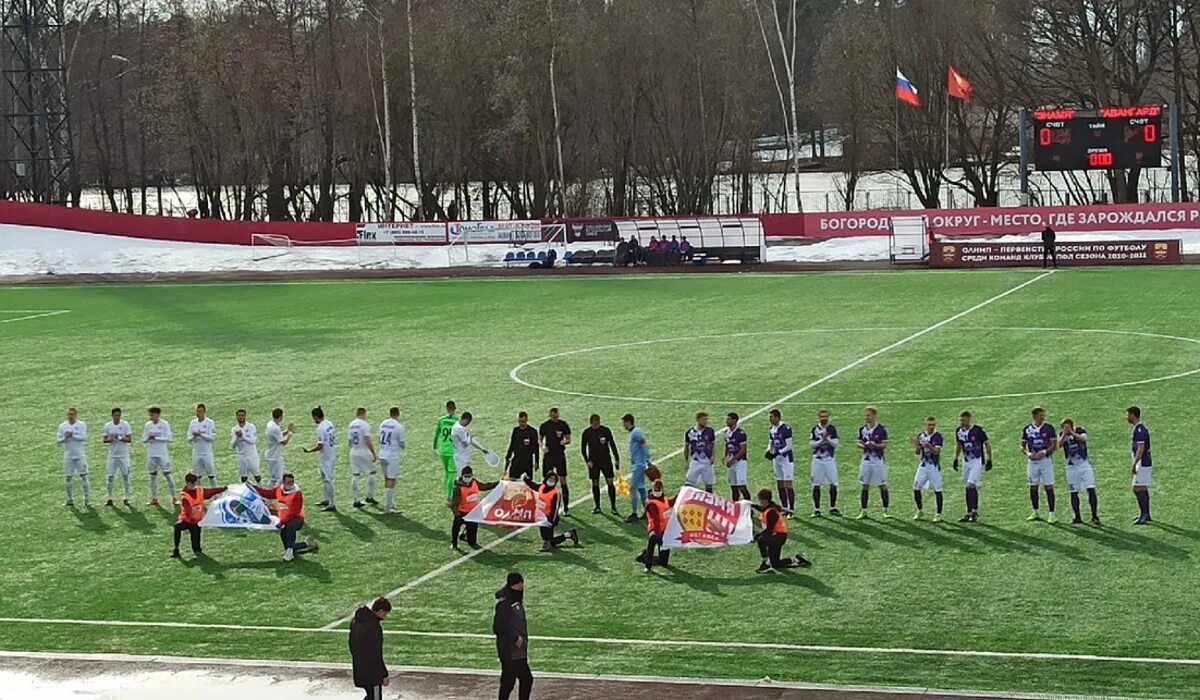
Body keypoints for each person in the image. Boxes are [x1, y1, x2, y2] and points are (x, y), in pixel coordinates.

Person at [252, 473, 319, 561]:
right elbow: (267, 493)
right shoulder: (279, 489)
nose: (290, 484)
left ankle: (290, 553)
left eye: (291, 482)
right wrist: (253, 487)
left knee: (290, 526)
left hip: (296, 519)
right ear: (283, 482)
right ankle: (305, 544)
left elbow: (294, 512)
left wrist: (282, 522)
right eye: (288, 482)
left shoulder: (297, 494)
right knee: (288, 546)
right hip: (284, 519)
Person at [752, 488, 812, 574]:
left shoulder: (771, 512)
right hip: (778, 536)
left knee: (761, 540)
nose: (760, 503)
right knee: (776, 564)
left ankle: (765, 563)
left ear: (766, 500)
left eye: (761, 501)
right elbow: (761, 509)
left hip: (778, 537)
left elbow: (769, 530)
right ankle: (796, 559)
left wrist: (756, 536)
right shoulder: (769, 508)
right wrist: (751, 505)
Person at [494, 572, 533, 700]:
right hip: (510, 651)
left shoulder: (514, 599)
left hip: (516, 650)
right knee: (525, 679)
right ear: (514, 585)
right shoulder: (505, 603)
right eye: (520, 583)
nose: (522, 585)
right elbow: (498, 627)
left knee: (508, 681)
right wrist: (515, 638)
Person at [171, 473, 226, 559]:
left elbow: (210, 492)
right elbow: (188, 509)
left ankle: (196, 548)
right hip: (186, 520)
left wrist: (222, 489)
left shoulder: (199, 490)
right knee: (177, 527)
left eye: (195, 483)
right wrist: (191, 517)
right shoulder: (184, 496)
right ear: (188, 483)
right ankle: (176, 548)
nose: (195, 485)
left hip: (196, 522)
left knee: (196, 549)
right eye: (193, 483)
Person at [952, 411, 992, 522]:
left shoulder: (978, 431)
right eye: (960, 420)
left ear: (969, 419)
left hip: (977, 461)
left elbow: (987, 444)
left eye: (963, 420)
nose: (961, 422)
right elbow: (959, 445)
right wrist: (955, 458)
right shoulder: (959, 431)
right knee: (968, 487)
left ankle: (974, 511)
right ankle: (969, 512)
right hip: (966, 462)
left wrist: (989, 459)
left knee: (970, 485)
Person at [349, 597, 391, 700]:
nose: (385, 617)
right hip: (372, 674)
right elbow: (376, 653)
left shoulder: (356, 622)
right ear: (380, 611)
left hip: (360, 668)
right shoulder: (373, 627)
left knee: (370, 695)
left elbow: (351, 644)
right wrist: (384, 674)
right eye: (385, 613)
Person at [1059, 418, 1099, 526]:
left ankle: (1094, 516)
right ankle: (1077, 516)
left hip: (1084, 465)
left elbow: (1084, 439)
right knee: (1073, 492)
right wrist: (1064, 435)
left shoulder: (1080, 430)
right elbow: (1059, 445)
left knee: (1090, 489)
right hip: (1071, 468)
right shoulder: (1062, 434)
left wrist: (1072, 433)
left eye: (1067, 427)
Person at [1021, 406, 1058, 523]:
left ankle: (1051, 514)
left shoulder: (1049, 428)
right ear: (1035, 416)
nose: (1043, 417)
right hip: (1032, 462)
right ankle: (1035, 511)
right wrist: (1028, 454)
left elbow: (1054, 445)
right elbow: (1022, 445)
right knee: (1033, 486)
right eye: (1041, 415)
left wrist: (1044, 452)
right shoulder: (1027, 429)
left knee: (1048, 486)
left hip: (1045, 461)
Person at [451, 466, 499, 549]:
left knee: (472, 542)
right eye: (465, 476)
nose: (467, 478)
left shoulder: (474, 483)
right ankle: (454, 542)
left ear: (472, 475)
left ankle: (465, 534)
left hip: (473, 512)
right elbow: (454, 504)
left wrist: (498, 483)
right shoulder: (458, 488)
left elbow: (484, 486)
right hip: (462, 512)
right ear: (462, 476)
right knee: (456, 527)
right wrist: (457, 515)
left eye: (469, 476)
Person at [581, 414, 621, 515]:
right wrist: (587, 461)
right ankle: (597, 506)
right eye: (594, 424)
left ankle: (613, 507)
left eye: (598, 423)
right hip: (594, 462)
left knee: (610, 482)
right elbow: (583, 449)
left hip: (605, 460)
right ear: (591, 423)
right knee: (595, 483)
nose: (596, 425)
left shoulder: (605, 431)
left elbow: (612, 444)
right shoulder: (586, 433)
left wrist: (616, 458)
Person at [855, 406, 890, 519]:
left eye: (868, 415)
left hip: (878, 461)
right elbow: (858, 443)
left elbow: (884, 445)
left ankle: (885, 510)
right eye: (865, 415)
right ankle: (864, 510)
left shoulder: (881, 429)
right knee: (865, 485)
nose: (866, 417)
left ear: (874, 415)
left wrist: (875, 445)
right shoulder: (862, 429)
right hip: (866, 461)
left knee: (882, 485)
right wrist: (864, 446)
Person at [303, 406, 338, 512]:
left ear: (315, 417)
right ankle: (327, 499)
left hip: (326, 457)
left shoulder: (320, 428)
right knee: (324, 478)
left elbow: (320, 446)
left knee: (328, 479)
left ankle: (332, 503)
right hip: (330, 454)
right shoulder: (329, 423)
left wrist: (309, 451)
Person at [532, 471, 578, 551]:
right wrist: (525, 479)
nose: (551, 480)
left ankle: (549, 543)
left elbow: (555, 509)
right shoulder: (542, 487)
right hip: (543, 517)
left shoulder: (555, 493)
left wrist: (551, 521)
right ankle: (569, 534)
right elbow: (533, 485)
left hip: (550, 518)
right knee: (548, 539)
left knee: (547, 539)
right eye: (550, 478)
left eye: (553, 479)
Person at [911, 416, 945, 522]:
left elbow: (936, 452)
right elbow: (917, 452)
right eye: (929, 425)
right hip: (923, 465)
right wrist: (917, 446)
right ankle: (920, 510)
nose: (931, 427)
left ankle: (938, 514)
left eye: (933, 425)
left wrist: (928, 445)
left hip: (934, 467)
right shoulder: (921, 435)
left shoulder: (938, 436)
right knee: (916, 488)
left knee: (937, 489)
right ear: (925, 425)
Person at [539, 408, 572, 513]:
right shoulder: (545, 426)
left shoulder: (563, 425)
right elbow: (539, 439)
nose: (555, 418)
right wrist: (543, 446)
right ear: (550, 415)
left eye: (557, 416)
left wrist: (565, 441)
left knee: (563, 480)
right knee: (546, 481)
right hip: (549, 455)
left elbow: (569, 438)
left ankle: (566, 507)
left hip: (559, 455)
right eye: (553, 416)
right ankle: (545, 505)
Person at [636, 479, 673, 573]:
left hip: (664, 528)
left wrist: (680, 495)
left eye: (658, 490)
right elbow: (656, 520)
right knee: (653, 538)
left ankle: (645, 555)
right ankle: (648, 565)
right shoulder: (651, 503)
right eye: (655, 490)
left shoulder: (663, 498)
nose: (657, 492)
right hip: (655, 529)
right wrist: (659, 534)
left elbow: (670, 502)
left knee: (663, 562)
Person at [808, 409, 840, 517]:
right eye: (822, 416)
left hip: (829, 460)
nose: (824, 418)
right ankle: (817, 509)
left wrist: (828, 439)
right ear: (818, 418)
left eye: (825, 416)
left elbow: (835, 444)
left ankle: (833, 507)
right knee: (816, 484)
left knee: (833, 483)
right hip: (817, 460)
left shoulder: (832, 429)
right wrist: (822, 440)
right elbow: (812, 444)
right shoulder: (814, 429)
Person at [143, 407, 177, 507]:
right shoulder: (148, 425)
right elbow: (143, 439)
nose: (150, 417)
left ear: (158, 415)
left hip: (162, 454)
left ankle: (174, 498)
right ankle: (154, 498)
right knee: (152, 476)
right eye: (150, 415)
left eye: (152, 415)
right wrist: (148, 439)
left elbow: (169, 438)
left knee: (168, 475)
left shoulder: (164, 424)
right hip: (152, 454)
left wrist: (156, 438)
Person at [56, 407, 90, 507]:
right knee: (68, 477)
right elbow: (58, 441)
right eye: (69, 414)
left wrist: (73, 435)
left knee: (84, 476)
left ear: (76, 415)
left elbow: (84, 438)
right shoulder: (63, 426)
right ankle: (70, 499)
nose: (70, 416)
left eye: (72, 414)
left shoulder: (81, 425)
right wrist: (65, 437)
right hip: (69, 456)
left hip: (80, 455)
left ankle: (87, 499)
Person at [766, 409, 796, 516]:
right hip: (777, 459)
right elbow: (771, 442)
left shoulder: (786, 428)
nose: (770, 419)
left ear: (778, 417)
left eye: (772, 417)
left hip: (786, 459)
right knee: (779, 483)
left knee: (788, 484)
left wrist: (778, 452)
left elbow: (789, 446)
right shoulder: (772, 429)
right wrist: (768, 451)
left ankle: (791, 510)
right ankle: (784, 508)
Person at [348, 407, 378, 509]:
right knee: (372, 473)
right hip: (363, 452)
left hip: (353, 452)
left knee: (355, 475)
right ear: (363, 413)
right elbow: (367, 440)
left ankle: (356, 500)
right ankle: (369, 496)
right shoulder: (364, 425)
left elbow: (350, 442)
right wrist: (374, 453)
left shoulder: (351, 425)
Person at [102, 407, 133, 506]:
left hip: (123, 456)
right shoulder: (108, 426)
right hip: (112, 456)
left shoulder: (125, 425)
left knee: (125, 476)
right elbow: (104, 440)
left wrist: (119, 438)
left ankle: (126, 497)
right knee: (110, 477)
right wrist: (111, 439)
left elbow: (129, 439)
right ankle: (110, 497)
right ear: (112, 416)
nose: (117, 417)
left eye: (119, 415)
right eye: (115, 415)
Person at [378, 407, 406, 514]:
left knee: (387, 479)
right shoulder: (399, 427)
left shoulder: (383, 423)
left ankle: (391, 502)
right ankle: (388, 506)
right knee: (391, 480)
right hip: (392, 456)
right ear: (398, 414)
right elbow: (402, 444)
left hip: (382, 453)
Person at [1128, 406, 1153, 525]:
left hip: (1142, 462)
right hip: (1142, 462)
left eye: (1128, 414)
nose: (1127, 417)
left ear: (1133, 415)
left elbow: (1141, 448)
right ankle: (1145, 514)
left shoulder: (1140, 429)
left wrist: (1134, 464)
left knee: (1137, 488)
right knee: (1141, 488)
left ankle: (1145, 514)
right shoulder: (1138, 428)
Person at [623, 414, 651, 522]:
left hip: (639, 465)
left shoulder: (636, 432)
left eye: (624, 422)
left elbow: (643, 444)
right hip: (638, 464)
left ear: (628, 422)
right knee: (641, 489)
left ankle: (634, 513)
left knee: (633, 489)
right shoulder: (634, 432)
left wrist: (647, 459)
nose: (623, 425)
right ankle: (647, 512)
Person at [452, 412, 491, 480]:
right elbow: (466, 443)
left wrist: (482, 449)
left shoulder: (459, 426)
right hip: (461, 458)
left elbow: (470, 440)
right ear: (466, 420)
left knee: (467, 477)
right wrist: (470, 437)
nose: (468, 424)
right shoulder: (459, 429)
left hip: (464, 456)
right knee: (463, 477)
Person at [683, 412, 716, 493]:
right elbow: (687, 447)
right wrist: (686, 461)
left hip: (707, 461)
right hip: (695, 461)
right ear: (698, 420)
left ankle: (709, 502)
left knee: (709, 484)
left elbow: (713, 445)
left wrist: (712, 456)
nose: (706, 421)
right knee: (689, 482)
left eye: (706, 419)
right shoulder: (690, 432)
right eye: (704, 419)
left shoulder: (710, 431)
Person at [434, 401, 459, 502]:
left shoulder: (441, 420)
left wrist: (435, 446)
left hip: (442, 449)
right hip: (452, 450)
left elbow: (436, 435)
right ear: (455, 408)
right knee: (452, 473)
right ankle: (450, 495)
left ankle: (447, 492)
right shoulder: (457, 421)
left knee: (447, 473)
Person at [723, 413, 751, 502]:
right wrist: (725, 457)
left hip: (740, 462)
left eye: (729, 419)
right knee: (733, 486)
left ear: (735, 420)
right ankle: (735, 507)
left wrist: (732, 459)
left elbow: (743, 450)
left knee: (742, 487)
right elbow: (727, 446)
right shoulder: (726, 432)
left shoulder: (741, 433)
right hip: (731, 462)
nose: (727, 421)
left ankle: (748, 507)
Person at [187, 403, 217, 486]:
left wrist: (201, 434)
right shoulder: (193, 423)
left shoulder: (209, 422)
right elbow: (189, 438)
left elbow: (211, 438)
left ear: (204, 412)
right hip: (196, 452)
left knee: (211, 475)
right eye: (197, 411)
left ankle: (216, 493)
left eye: (200, 411)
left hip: (207, 452)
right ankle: (199, 495)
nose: (198, 414)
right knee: (197, 476)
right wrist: (194, 436)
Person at [505, 411, 540, 481]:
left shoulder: (532, 432)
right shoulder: (516, 431)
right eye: (520, 421)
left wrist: (536, 461)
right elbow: (512, 444)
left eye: (523, 421)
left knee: (528, 482)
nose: (521, 423)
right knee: (512, 481)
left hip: (527, 461)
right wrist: (508, 456)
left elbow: (536, 447)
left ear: (527, 420)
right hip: (516, 459)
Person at [264, 408, 294, 488]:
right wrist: (290, 434)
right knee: (278, 479)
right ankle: (270, 496)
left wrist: (287, 431)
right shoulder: (275, 428)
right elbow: (283, 442)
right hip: (274, 457)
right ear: (281, 417)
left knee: (277, 478)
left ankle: (270, 496)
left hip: (274, 456)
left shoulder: (271, 424)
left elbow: (278, 436)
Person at [231, 409, 262, 484]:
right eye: (239, 416)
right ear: (236, 417)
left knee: (257, 476)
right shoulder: (234, 429)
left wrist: (243, 436)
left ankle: (261, 491)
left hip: (251, 454)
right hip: (241, 455)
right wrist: (237, 438)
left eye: (242, 416)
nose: (241, 417)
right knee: (244, 478)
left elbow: (252, 441)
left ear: (245, 416)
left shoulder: (251, 427)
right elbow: (233, 445)